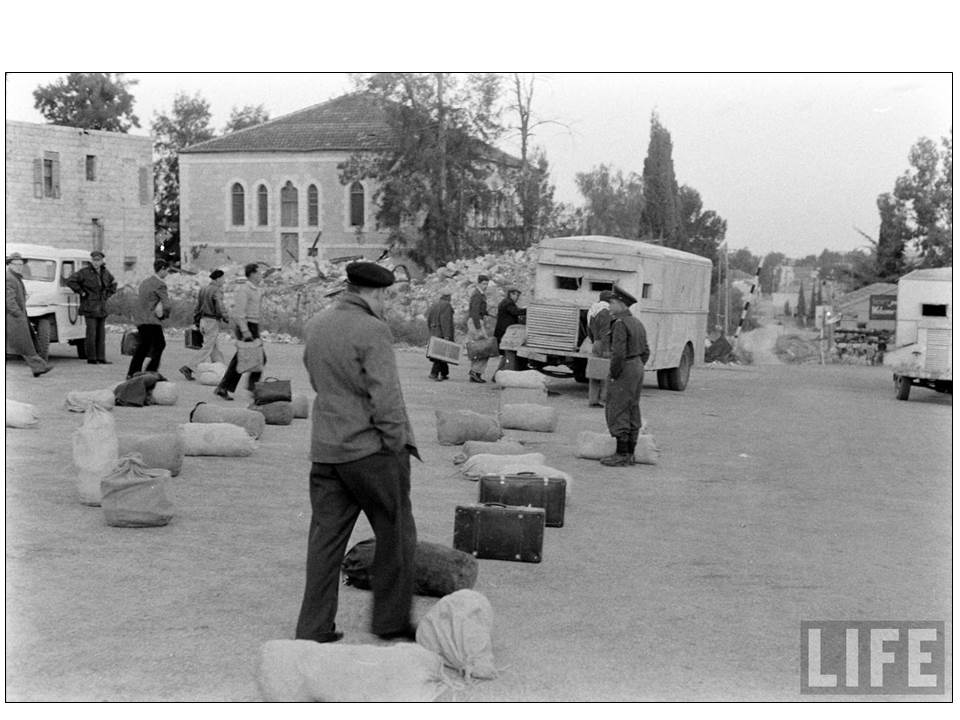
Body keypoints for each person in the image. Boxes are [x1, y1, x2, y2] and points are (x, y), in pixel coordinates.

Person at [295, 261, 419, 644]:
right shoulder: (373, 329)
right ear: (377, 294)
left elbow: (318, 381)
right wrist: (398, 443)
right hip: (370, 451)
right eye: (386, 297)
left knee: (325, 541)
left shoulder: (317, 323)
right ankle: (390, 621)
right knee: (396, 533)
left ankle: (314, 627)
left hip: (327, 448)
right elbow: (386, 396)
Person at [601, 285, 650, 467]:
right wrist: (637, 365)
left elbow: (618, 354)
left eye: (612, 303)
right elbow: (646, 351)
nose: (609, 307)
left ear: (622, 304)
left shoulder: (620, 324)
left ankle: (621, 454)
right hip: (637, 366)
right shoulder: (637, 323)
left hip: (625, 367)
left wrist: (615, 373)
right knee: (632, 408)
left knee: (618, 408)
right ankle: (630, 453)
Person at [215, 263, 264, 401]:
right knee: (254, 357)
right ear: (253, 274)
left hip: (253, 325)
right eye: (259, 273)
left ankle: (225, 386)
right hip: (247, 326)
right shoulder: (244, 290)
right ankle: (251, 386)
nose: (261, 275)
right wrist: (245, 330)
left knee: (245, 358)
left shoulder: (256, 289)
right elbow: (239, 313)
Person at [5, 252, 53, 377]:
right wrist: (18, 314)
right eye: (17, 264)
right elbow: (9, 300)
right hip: (13, 317)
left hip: (16, 316)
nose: (20, 267)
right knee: (24, 343)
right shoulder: (9, 278)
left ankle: (38, 367)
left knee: (25, 343)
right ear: (9, 264)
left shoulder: (14, 277)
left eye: (21, 264)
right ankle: (39, 367)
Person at [66, 250, 117, 365]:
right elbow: (71, 281)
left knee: (101, 334)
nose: (96, 262)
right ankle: (92, 358)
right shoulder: (84, 272)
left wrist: (106, 295)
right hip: (89, 306)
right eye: (94, 260)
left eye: (98, 260)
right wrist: (81, 292)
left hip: (101, 307)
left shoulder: (105, 273)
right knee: (91, 333)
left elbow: (113, 284)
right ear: (91, 260)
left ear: (102, 261)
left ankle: (101, 357)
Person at [127, 260, 172, 378]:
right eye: (167, 270)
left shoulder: (144, 283)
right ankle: (151, 370)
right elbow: (166, 305)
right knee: (160, 345)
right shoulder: (160, 284)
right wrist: (164, 315)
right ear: (162, 269)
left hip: (141, 319)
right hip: (152, 320)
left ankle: (132, 372)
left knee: (143, 346)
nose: (167, 273)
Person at [180, 269, 228, 381]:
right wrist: (226, 317)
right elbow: (220, 307)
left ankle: (221, 369)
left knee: (214, 347)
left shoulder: (203, 289)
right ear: (218, 278)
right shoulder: (217, 290)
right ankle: (189, 367)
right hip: (212, 321)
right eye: (223, 278)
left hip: (203, 320)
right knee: (208, 347)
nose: (224, 281)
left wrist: (197, 321)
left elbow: (197, 307)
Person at [587, 290, 615, 407]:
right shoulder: (605, 311)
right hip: (604, 343)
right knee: (605, 373)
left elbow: (589, 329)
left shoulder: (593, 309)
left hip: (595, 342)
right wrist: (607, 349)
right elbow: (605, 332)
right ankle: (603, 400)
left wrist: (594, 341)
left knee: (595, 372)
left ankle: (592, 399)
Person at [493, 287, 525, 376]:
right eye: (516, 295)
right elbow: (516, 312)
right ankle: (500, 375)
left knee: (506, 355)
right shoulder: (508, 303)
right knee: (508, 354)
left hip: (502, 331)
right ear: (511, 294)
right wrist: (528, 310)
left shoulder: (506, 302)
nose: (517, 297)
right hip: (504, 332)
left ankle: (497, 375)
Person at [467, 274, 492, 383]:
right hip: (476, 322)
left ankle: (475, 373)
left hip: (476, 321)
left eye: (487, 284)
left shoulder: (479, 294)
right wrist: (478, 329)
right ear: (478, 283)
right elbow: (474, 312)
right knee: (483, 348)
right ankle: (475, 372)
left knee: (479, 349)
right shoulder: (477, 295)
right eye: (484, 284)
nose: (485, 286)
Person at [426, 289, 455, 381]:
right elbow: (446, 322)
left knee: (440, 354)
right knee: (440, 354)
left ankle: (444, 373)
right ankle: (434, 373)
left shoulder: (434, 304)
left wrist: (431, 330)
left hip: (434, 332)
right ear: (448, 297)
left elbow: (428, 319)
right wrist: (447, 336)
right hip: (441, 333)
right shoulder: (446, 305)